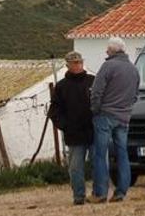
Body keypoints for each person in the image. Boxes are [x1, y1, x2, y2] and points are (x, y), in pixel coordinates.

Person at [88, 37, 140, 204]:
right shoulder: (133, 69)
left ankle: (100, 192)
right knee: (122, 153)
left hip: (106, 116)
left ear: (112, 51)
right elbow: (135, 95)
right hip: (124, 117)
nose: (106, 52)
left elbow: (96, 91)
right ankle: (121, 191)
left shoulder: (108, 66)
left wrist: (95, 110)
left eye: (107, 50)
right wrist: (126, 110)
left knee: (100, 154)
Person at [47, 51, 95, 206]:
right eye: (74, 63)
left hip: (94, 132)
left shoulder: (93, 81)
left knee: (99, 164)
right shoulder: (61, 87)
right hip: (74, 135)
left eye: (79, 62)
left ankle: (99, 194)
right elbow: (54, 112)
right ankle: (79, 197)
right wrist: (65, 126)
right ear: (67, 65)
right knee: (75, 168)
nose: (78, 65)